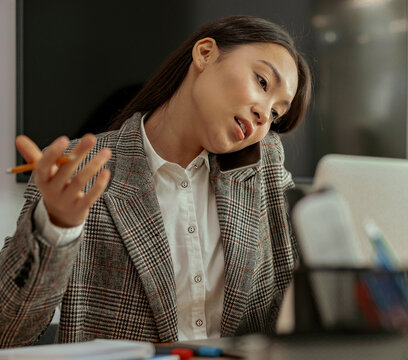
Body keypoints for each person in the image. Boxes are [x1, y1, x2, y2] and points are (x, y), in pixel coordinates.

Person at [0, 15, 311, 347]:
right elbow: (9, 331)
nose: (265, 114)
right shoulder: (79, 168)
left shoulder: (263, 167)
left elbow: (293, 304)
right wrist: (57, 226)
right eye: (262, 82)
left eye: (276, 112)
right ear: (205, 54)